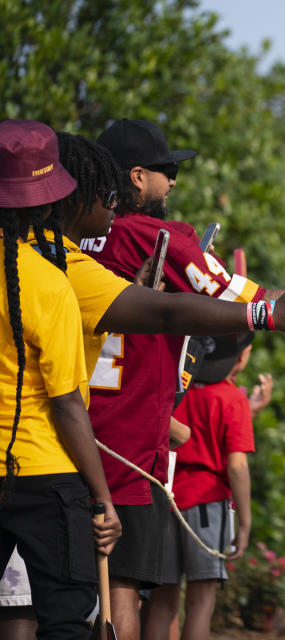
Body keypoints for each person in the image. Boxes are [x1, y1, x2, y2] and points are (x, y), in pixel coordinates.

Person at [85, 119, 285, 640]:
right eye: (168, 171)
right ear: (138, 177)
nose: (174, 183)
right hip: (127, 444)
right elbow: (244, 300)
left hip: (72, 429)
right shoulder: (155, 235)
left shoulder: (67, 236)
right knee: (121, 586)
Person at [0, 119, 122, 639]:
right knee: (66, 619)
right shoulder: (50, 284)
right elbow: (68, 404)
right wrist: (101, 497)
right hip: (44, 474)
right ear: (50, 204)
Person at [144, 332, 261, 640]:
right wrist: (245, 524)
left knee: (162, 602)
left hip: (164, 499)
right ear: (239, 358)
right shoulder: (233, 398)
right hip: (207, 507)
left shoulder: (173, 389)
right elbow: (236, 465)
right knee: (201, 601)